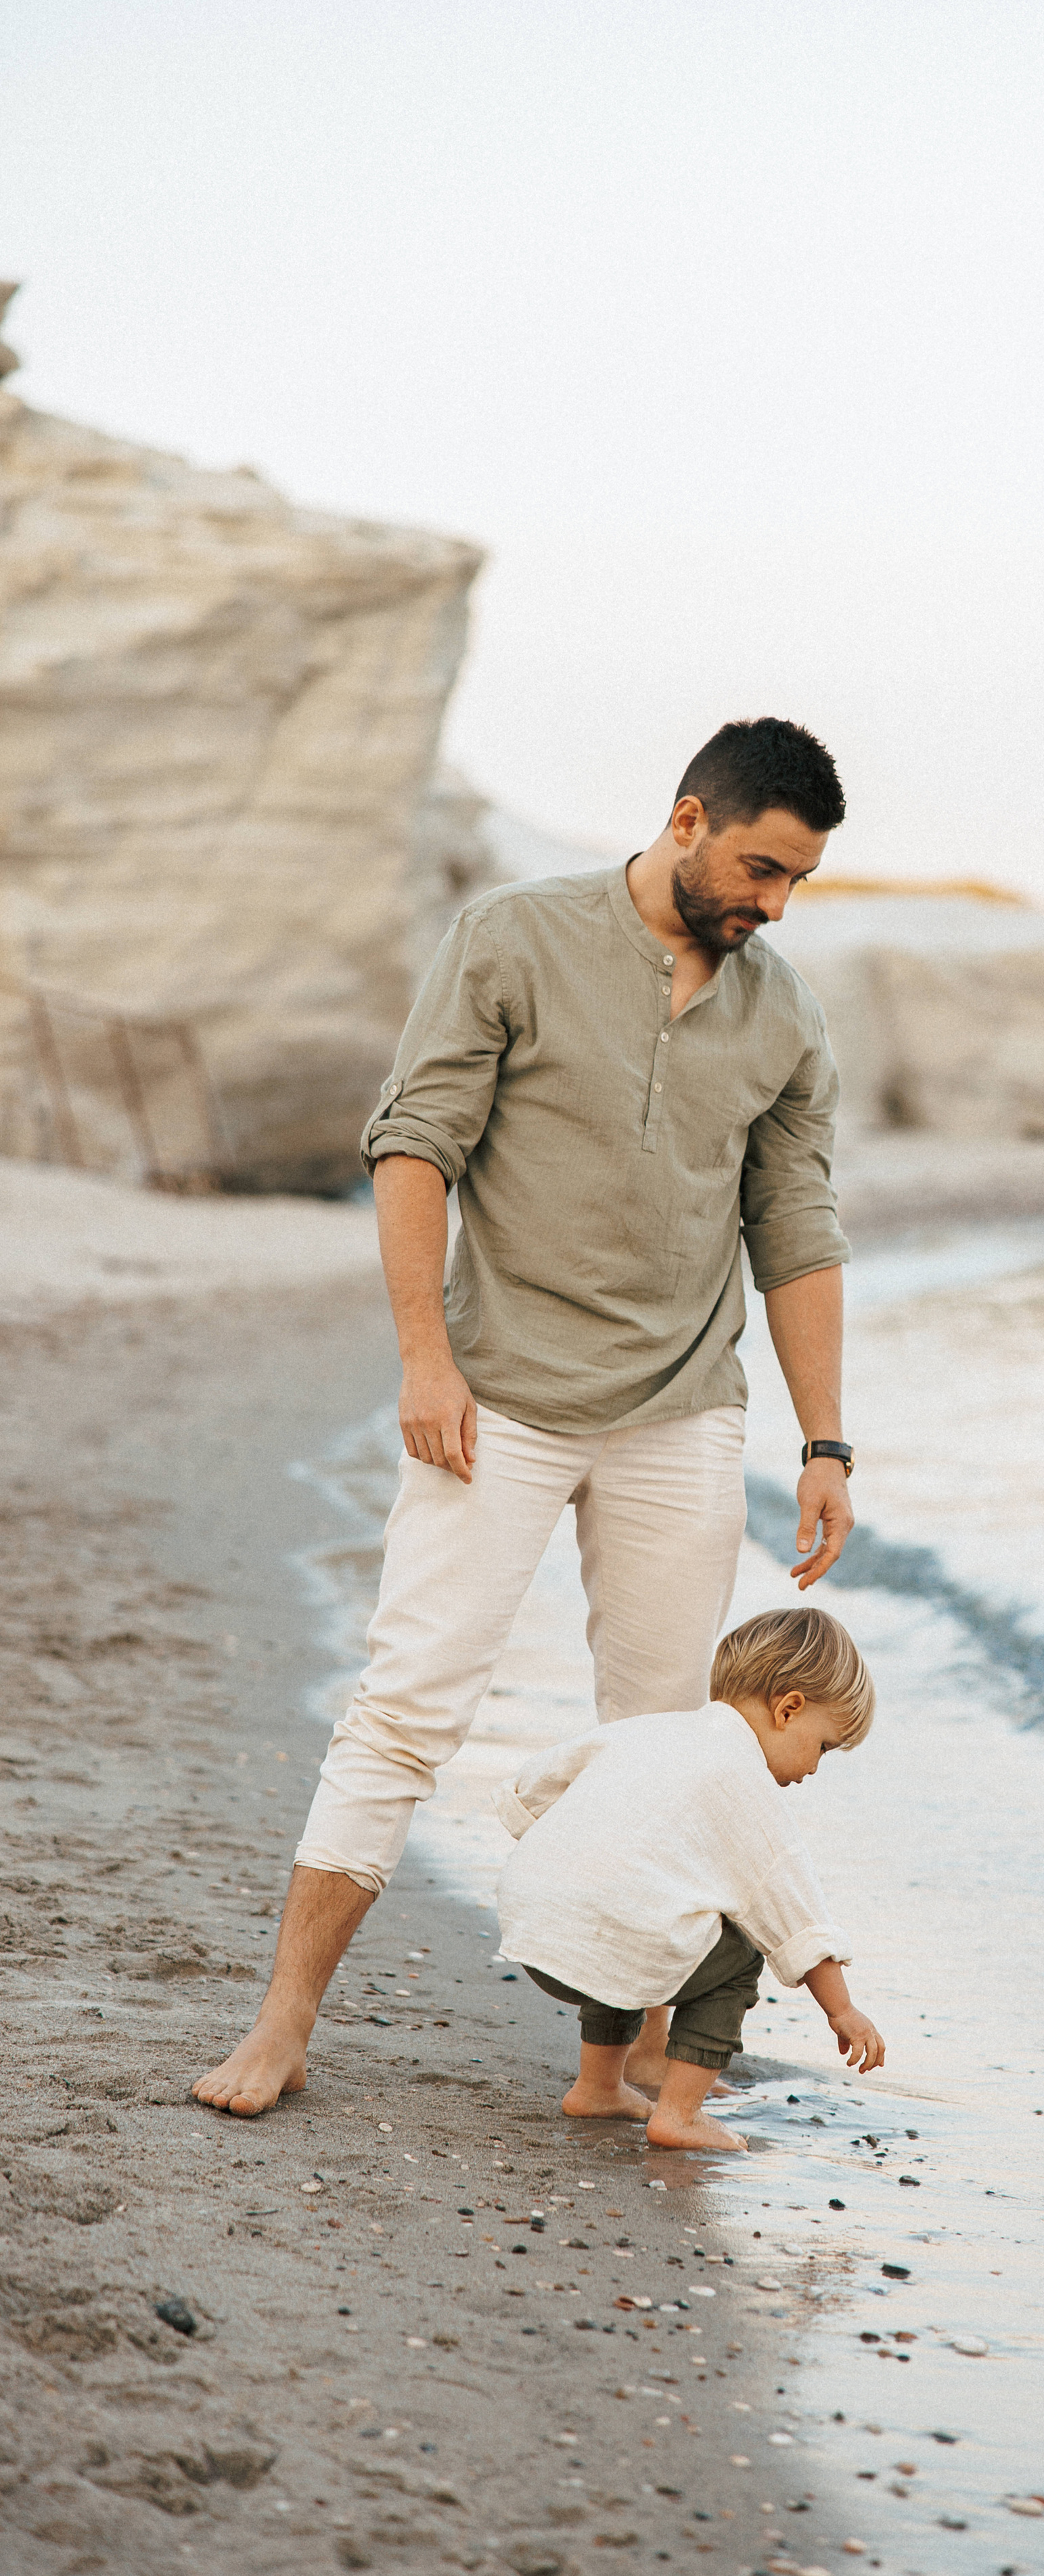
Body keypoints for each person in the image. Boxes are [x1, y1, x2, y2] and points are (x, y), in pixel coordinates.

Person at [196, 718, 859, 2119]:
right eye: (757, 868)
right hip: (493, 1397)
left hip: (681, 1412)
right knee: (405, 1709)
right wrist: (425, 1360)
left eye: (795, 883)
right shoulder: (512, 938)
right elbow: (413, 1142)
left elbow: (794, 1227)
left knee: (671, 1739)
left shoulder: (781, 1013)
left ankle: (617, 2075)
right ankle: (283, 2023)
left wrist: (822, 1442)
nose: (771, 905)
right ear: (686, 821)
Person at [495, 1604, 884, 2153]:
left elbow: (529, 1792)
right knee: (742, 1947)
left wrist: (569, 1865)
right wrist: (843, 2011)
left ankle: (599, 2087)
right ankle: (679, 2114)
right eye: (823, 1746)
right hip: (601, 1935)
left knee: (637, 1910)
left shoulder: (648, 1731)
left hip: (531, 1922)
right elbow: (797, 1919)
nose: (815, 1768)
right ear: (790, 1708)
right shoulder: (745, 1785)